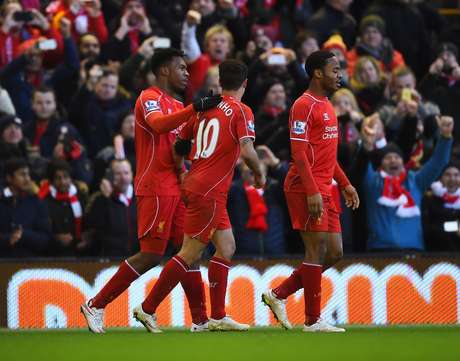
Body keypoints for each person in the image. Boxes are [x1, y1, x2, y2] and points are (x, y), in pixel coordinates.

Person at [80, 47, 222, 333]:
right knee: (151, 254)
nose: (187, 73)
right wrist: (194, 109)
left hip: (178, 185)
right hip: (155, 185)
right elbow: (157, 127)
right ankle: (95, 304)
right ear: (163, 70)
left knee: (190, 251)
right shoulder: (149, 98)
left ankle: (200, 320)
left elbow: (180, 146)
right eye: (181, 68)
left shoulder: (177, 103)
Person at [132, 59, 265, 332]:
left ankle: (217, 316)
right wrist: (260, 174)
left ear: (220, 81)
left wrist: (183, 170)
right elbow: (248, 150)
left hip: (200, 184)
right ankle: (147, 308)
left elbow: (180, 143)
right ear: (245, 84)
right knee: (190, 253)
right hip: (209, 189)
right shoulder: (242, 110)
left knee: (226, 247)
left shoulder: (206, 108)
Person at [261, 50, 360, 332]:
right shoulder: (303, 105)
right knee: (315, 250)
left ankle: (278, 294)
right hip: (304, 187)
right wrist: (313, 190)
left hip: (325, 187)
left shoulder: (327, 105)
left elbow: (329, 155)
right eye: (335, 69)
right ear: (318, 73)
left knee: (335, 252)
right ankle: (312, 320)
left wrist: (345, 183)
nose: (339, 75)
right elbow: (299, 153)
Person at [358, 115, 453, 251]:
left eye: (397, 157)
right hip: (379, 252)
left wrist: (445, 136)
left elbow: (438, 163)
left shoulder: (416, 181)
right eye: (388, 158)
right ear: (380, 164)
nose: (393, 160)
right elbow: (361, 166)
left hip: (413, 252)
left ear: (403, 162)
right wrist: (366, 144)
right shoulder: (372, 182)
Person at [80, 159, 137, 257]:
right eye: (118, 174)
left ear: (132, 174)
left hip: (137, 258)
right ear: (109, 176)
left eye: (126, 173)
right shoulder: (99, 199)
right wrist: (105, 200)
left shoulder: (141, 198)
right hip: (110, 259)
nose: (123, 178)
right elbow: (93, 226)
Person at [0, 158, 51, 257]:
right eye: (22, 175)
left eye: (28, 174)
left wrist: (23, 235)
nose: (27, 179)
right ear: (9, 178)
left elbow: (46, 239)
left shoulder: (37, 203)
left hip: (30, 265)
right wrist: (8, 239)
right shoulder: (2, 201)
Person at [38, 159, 87, 256]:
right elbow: (40, 230)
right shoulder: (44, 201)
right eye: (58, 178)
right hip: (52, 254)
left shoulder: (80, 197)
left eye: (66, 177)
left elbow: (87, 223)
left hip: (78, 253)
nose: (63, 182)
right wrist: (56, 238)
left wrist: (86, 239)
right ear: (52, 181)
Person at [423, 164, 460, 252]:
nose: (452, 179)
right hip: (437, 253)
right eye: (448, 175)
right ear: (440, 178)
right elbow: (427, 229)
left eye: (456, 175)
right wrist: (455, 226)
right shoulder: (429, 199)